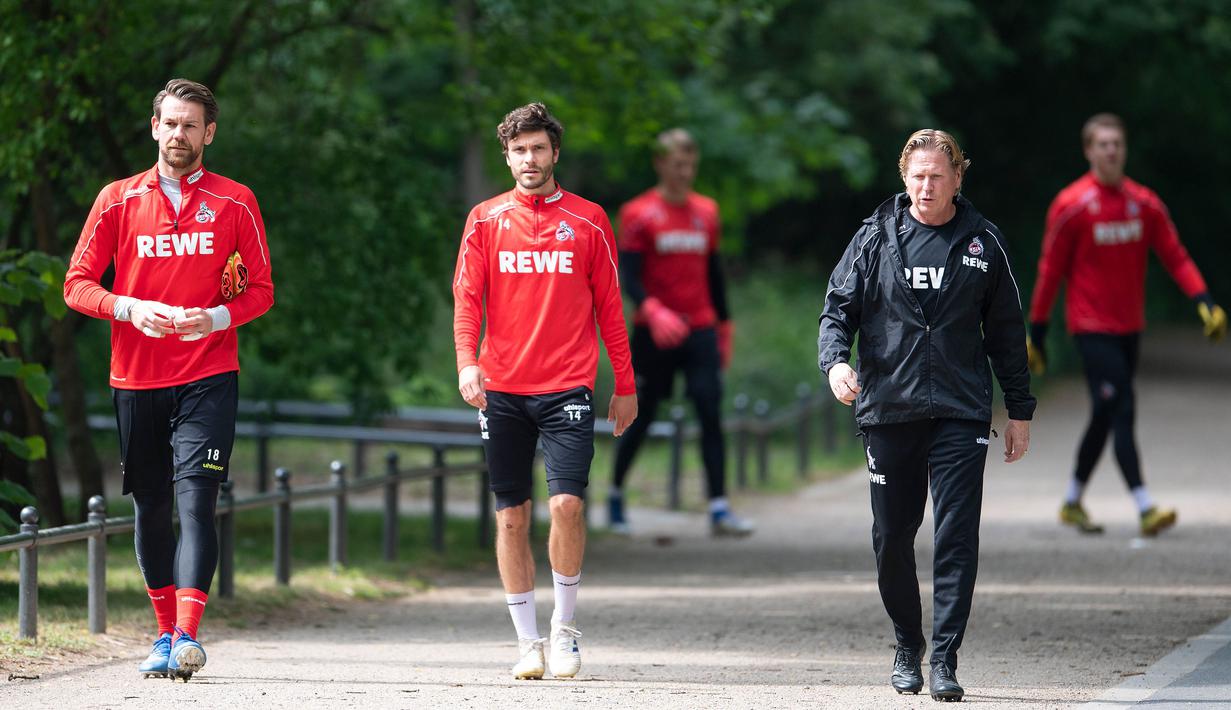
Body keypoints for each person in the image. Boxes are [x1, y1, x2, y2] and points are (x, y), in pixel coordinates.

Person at [64, 79, 274, 681]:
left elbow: (261, 291)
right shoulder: (118, 199)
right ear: (154, 127)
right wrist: (129, 308)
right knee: (153, 506)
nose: (179, 134)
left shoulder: (236, 203)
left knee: (196, 501)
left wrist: (212, 317)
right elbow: (77, 284)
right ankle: (162, 633)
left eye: (191, 125)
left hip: (209, 373)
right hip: (136, 375)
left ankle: (187, 635)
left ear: (209, 133)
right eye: (170, 123)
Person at [818, 129, 1035, 701]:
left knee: (957, 536)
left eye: (938, 175)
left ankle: (943, 658)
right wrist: (836, 363)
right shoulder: (874, 239)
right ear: (903, 177)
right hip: (890, 409)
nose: (926, 186)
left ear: (958, 177)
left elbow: (1008, 334)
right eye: (917, 175)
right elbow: (836, 310)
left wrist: (1019, 409)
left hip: (961, 411)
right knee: (892, 536)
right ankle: (905, 643)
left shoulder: (983, 243)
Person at [452, 102, 638, 680]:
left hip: (568, 385)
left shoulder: (588, 220)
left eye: (538, 148)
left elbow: (610, 305)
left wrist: (625, 385)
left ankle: (565, 629)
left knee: (566, 505)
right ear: (506, 156)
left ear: (555, 153)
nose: (528, 159)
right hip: (501, 386)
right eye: (518, 150)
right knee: (511, 517)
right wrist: (466, 363)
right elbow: (467, 299)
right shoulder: (485, 219)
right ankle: (527, 640)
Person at [1028, 113, 1227, 537]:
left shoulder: (1144, 203)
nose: (1112, 150)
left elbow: (1175, 255)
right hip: (1090, 328)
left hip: (1129, 327)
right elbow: (1050, 272)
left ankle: (1071, 500)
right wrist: (1038, 333)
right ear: (1089, 151)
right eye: (1103, 144)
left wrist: (1204, 303)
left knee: (1103, 413)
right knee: (1122, 407)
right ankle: (1144, 505)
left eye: (1117, 143)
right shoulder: (1072, 205)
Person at [607, 128, 753, 537]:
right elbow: (629, 276)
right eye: (676, 164)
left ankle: (720, 508)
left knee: (709, 410)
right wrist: (652, 310)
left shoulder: (706, 211)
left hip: (700, 327)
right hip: (654, 332)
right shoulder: (637, 213)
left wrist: (725, 326)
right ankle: (616, 495)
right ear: (660, 164)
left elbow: (713, 273)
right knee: (643, 413)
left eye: (690, 165)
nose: (684, 172)